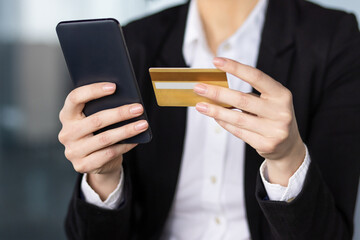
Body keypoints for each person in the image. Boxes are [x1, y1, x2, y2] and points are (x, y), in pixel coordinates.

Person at [58, 0, 360, 239]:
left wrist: (288, 158)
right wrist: (104, 175)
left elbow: (331, 232)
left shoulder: (333, 37)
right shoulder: (135, 42)